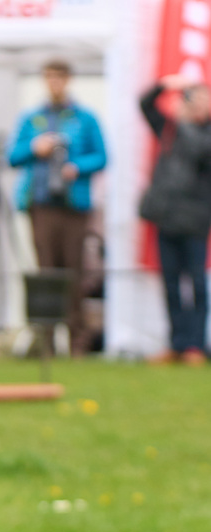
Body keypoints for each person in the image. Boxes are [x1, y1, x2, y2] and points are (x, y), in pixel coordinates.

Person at [8, 59, 107, 354]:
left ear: (68, 80)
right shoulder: (32, 119)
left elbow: (102, 156)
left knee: (74, 272)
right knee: (46, 271)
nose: (54, 83)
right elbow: (13, 156)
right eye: (49, 77)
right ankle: (46, 342)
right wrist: (34, 148)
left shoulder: (85, 118)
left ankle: (78, 341)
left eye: (59, 77)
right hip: (41, 204)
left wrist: (77, 166)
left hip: (73, 205)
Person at [139, 74, 211, 365]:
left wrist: (185, 120)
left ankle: (195, 345)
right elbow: (144, 105)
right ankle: (176, 343)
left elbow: (199, 151)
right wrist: (164, 86)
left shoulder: (199, 132)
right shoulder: (170, 129)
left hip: (194, 220)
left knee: (195, 282)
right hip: (166, 217)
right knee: (169, 283)